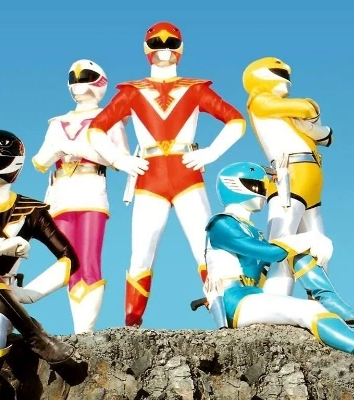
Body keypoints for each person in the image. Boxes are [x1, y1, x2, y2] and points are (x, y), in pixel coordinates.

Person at [81, 21, 246, 327]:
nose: (164, 49)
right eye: (157, 43)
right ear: (147, 48)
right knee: (141, 253)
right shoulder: (132, 92)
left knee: (206, 249)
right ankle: (131, 325)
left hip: (186, 174)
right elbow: (96, 129)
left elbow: (236, 120)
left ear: (180, 48)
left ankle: (225, 320)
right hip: (150, 177)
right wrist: (119, 159)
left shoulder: (195, 89)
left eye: (171, 43)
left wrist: (211, 152)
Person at [202, 161, 354, 355]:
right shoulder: (221, 224)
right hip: (234, 301)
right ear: (235, 185)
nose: (262, 192)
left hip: (252, 294)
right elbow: (271, 252)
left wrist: (283, 185)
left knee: (293, 252)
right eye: (257, 186)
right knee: (310, 310)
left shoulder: (249, 228)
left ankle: (331, 301)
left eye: (263, 187)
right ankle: (334, 309)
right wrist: (311, 238)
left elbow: (269, 260)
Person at [32, 59, 130, 333]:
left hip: (91, 192)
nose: (79, 83)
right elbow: (40, 161)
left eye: (85, 77)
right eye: (74, 78)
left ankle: (84, 332)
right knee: (67, 261)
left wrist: (73, 147)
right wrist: (59, 149)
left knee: (88, 260)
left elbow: (120, 159)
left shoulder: (110, 119)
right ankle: (75, 328)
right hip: (60, 195)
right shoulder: (57, 123)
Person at [242, 57, 338, 303]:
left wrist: (315, 127)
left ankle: (321, 304)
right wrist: (313, 113)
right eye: (279, 71)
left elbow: (324, 137)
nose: (286, 75)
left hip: (307, 177)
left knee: (319, 246)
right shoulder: (260, 100)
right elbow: (307, 110)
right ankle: (275, 301)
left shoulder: (282, 114)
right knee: (282, 242)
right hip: (289, 175)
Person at [0, 230, 75, 400]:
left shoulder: (31, 217)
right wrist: (0, 246)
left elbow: (70, 258)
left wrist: (27, 293)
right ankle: (35, 336)